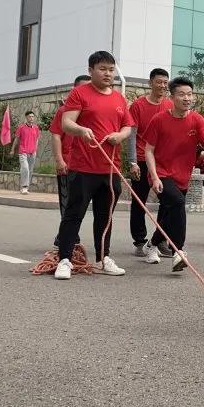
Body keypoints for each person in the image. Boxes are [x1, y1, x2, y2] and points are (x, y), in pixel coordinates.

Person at [54, 51, 134, 280]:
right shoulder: (80, 93)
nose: (108, 73)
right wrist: (81, 130)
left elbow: (128, 127)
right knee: (73, 214)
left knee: (105, 216)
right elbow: (66, 123)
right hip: (83, 167)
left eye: (111, 69)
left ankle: (102, 258)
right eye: (102, 69)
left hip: (110, 170)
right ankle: (65, 260)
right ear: (91, 71)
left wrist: (119, 135)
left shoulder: (119, 98)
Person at [142, 77, 204, 273]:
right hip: (161, 174)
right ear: (172, 97)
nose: (187, 98)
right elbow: (148, 150)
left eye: (190, 94)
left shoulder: (196, 119)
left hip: (182, 176)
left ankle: (151, 245)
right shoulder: (159, 119)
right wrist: (155, 176)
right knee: (176, 203)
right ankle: (179, 251)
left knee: (167, 216)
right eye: (182, 94)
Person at [127, 68, 173, 256]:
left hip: (162, 162)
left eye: (165, 82)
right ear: (150, 83)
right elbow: (131, 134)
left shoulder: (170, 104)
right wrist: (132, 162)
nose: (162, 85)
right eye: (159, 82)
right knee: (139, 202)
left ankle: (159, 239)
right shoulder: (138, 105)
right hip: (141, 159)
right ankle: (139, 241)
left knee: (168, 201)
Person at [49, 74, 91, 248]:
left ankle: (64, 236)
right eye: (83, 88)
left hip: (86, 165)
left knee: (79, 203)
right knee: (68, 203)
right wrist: (59, 160)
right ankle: (67, 238)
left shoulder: (90, 110)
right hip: (68, 164)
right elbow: (56, 135)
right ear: (75, 89)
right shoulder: (64, 110)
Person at [11, 110, 40, 194]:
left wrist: (35, 149)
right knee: (25, 168)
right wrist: (12, 149)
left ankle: (25, 187)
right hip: (23, 151)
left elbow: (37, 139)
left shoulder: (36, 128)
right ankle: (24, 187)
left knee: (30, 170)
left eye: (33, 116)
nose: (31, 118)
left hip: (32, 152)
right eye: (30, 116)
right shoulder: (21, 127)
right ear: (26, 117)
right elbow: (16, 139)